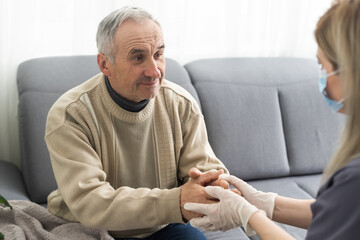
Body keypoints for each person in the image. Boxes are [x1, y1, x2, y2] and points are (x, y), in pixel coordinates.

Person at [44, 6, 229, 240]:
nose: (154, 71)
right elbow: (92, 203)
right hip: (89, 229)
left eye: (158, 55)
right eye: (138, 57)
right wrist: (177, 201)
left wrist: (215, 185)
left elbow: (205, 169)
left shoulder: (181, 104)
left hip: (161, 226)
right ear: (104, 64)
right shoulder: (70, 115)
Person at [184, 0, 360, 239]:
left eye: (323, 66)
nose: (321, 78)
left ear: (349, 69)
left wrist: (248, 216)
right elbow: (337, 214)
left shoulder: (353, 178)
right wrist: (266, 203)